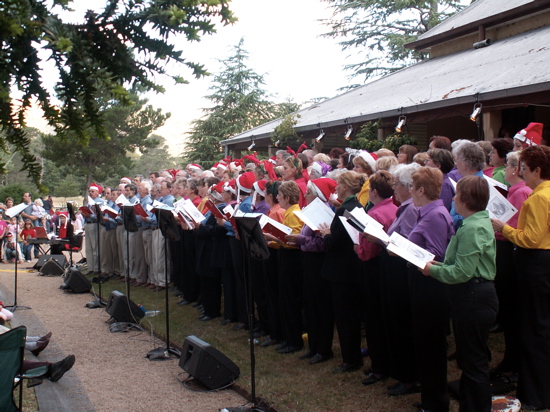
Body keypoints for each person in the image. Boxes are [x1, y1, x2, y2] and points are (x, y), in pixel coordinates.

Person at [422, 176, 497, 412]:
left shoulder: (473, 228)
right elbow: (459, 266)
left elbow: (461, 272)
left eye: (456, 195)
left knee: (474, 362)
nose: (453, 198)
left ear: (465, 199)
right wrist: (437, 266)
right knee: (471, 358)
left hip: (474, 296)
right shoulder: (472, 223)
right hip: (472, 294)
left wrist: (432, 270)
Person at [491, 145, 550, 411]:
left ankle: (536, 394)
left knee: (534, 330)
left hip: (536, 264)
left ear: (538, 170)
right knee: (540, 327)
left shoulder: (539, 198)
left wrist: (505, 229)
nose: (521, 174)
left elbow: (531, 238)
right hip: (542, 264)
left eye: (524, 169)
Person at [407, 167, 454, 412]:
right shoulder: (428, 211)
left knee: (432, 345)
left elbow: (438, 255)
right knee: (425, 343)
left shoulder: (435, 214)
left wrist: (406, 251)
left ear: (421, 190)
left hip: (431, 286)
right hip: (422, 282)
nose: (410, 192)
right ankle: (430, 397)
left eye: (412, 188)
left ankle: (436, 402)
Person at [286, 178, 336, 364]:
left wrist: (301, 240)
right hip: (308, 261)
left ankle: (323, 348)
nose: (304, 195)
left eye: (308, 192)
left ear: (318, 194)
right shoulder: (311, 210)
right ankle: (314, 346)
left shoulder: (323, 212)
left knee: (320, 306)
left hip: (318, 262)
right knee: (310, 304)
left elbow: (322, 243)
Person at [490, 151, 532, 378]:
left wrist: (497, 225)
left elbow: (512, 229)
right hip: (506, 251)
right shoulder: (515, 191)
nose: (504, 169)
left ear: (515, 170)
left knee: (512, 309)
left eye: (507, 165)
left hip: (509, 252)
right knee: (508, 309)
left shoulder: (521, 192)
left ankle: (514, 360)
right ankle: (512, 357)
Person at [318, 171, 365, 373]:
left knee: (345, 317)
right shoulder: (356, 206)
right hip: (351, 268)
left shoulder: (346, 209)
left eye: (338, 185)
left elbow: (337, 242)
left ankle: (351, 359)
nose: (335, 188)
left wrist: (327, 234)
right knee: (349, 315)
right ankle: (351, 356)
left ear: (346, 187)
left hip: (342, 270)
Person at [355, 171, 397, 386]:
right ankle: (387, 361)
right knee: (384, 317)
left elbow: (367, 251)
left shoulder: (375, 214)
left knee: (374, 318)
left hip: (373, 268)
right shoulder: (393, 208)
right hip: (387, 269)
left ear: (373, 192)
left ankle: (379, 365)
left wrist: (356, 245)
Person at [264, 181, 305, 354]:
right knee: (285, 298)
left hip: (292, 259)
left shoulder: (294, 213)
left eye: (280, 195)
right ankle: (288, 338)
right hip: (286, 256)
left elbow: (293, 239)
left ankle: (293, 340)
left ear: (287, 197)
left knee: (290, 299)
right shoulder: (290, 212)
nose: (278, 198)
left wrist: (273, 238)